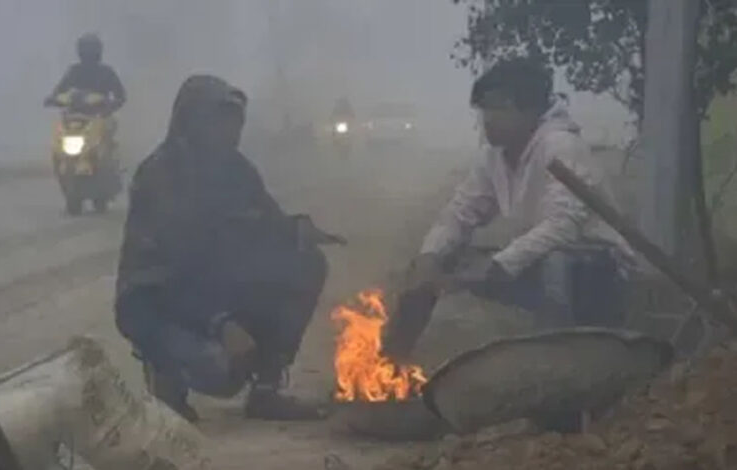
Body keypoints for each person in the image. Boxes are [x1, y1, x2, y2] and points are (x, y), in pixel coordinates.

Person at [115, 75, 336, 422]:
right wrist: (220, 323)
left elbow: (266, 221)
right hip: (158, 302)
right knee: (220, 369)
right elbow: (174, 270)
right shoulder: (162, 176)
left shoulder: (236, 170)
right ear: (193, 121)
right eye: (220, 121)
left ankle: (266, 391)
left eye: (235, 122)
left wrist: (296, 229)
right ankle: (167, 383)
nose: (231, 131)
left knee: (306, 263)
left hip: (217, 287)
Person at [384, 58, 636, 359]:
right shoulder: (493, 157)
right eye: (484, 109)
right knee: (432, 266)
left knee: (555, 264)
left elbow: (563, 227)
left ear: (529, 110)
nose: (488, 119)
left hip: (597, 272)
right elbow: (459, 213)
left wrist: (498, 266)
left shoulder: (561, 146)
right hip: (535, 261)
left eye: (498, 108)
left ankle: (557, 360)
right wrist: (430, 256)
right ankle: (390, 362)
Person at [45, 33, 126, 114]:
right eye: (86, 52)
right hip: (73, 116)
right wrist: (53, 99)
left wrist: (109, 106)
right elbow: (60, 90)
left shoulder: (107, 72)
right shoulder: (74, 71)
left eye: (91, 51)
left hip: (100, 116)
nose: (88, 55)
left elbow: (120, 96)